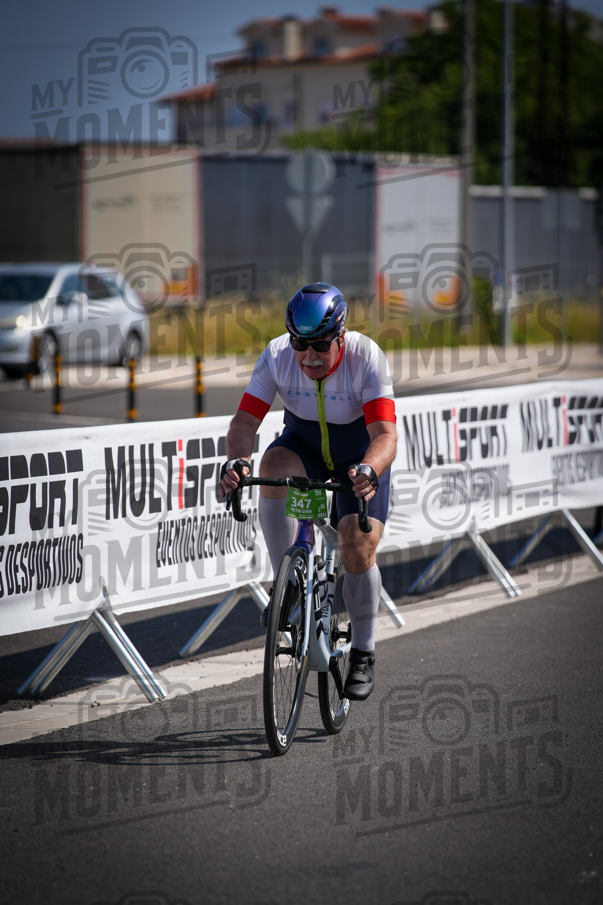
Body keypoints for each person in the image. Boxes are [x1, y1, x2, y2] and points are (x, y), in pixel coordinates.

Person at [219, 282, 397, 700]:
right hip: (305, 449)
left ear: (340, 336)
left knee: (357, 546)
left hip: (360, 457)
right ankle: (290, 584)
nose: (309, 355)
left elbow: (386, 434)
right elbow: (245, 422)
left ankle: (364, 652)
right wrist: (235, 461)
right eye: (301, 343)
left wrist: (370, 469)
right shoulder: (278, 354)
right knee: (271, 465)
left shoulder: (366, 356)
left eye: (319, 344)